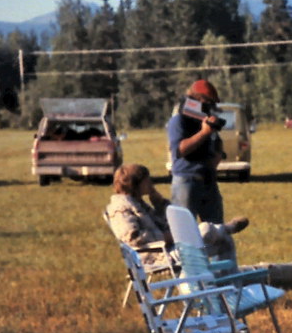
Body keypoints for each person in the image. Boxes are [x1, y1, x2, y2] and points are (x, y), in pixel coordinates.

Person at [104, 164, 247, 270]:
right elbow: (133, 237)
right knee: (205, 229)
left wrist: (159, 202)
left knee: (224, 241)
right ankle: (227, 228)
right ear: (135, 184)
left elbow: (170, 222)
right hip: (157, 256)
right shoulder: (120, 208)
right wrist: (167, 237)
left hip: (171, 249)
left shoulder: (138, 203)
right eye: (147, 180)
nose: (150, 183)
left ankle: (228, 286)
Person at [167, 79, 226, 224]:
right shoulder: (179, 120)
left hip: (208, 179)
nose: (210, 107)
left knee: (216, 229)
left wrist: (218, 154)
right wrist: (204, 133)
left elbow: (216, 141)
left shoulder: (203, 121)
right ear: (198, 99)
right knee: (184, 228)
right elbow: (180, 150)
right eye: (209, 102)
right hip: (186, 180)